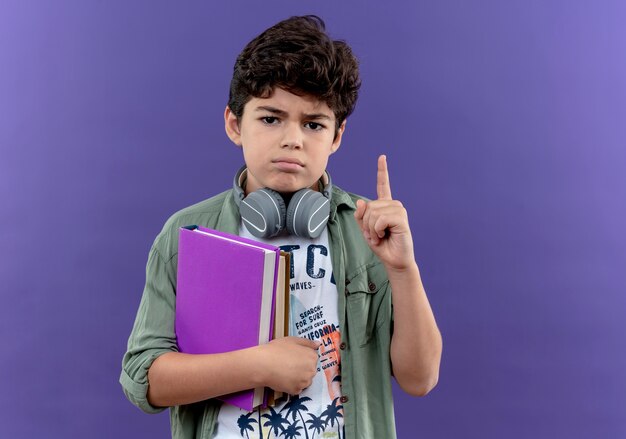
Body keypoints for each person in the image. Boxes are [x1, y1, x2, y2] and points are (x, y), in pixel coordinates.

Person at [120, 15, 442, 439]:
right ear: (235, 124)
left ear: (337, 136)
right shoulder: (187, 235)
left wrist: (402, 269)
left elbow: (420, 379)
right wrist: (257, 366)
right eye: (271, 119)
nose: (293, 139)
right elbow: (143, 380)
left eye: (313, 124)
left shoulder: (368, 232)